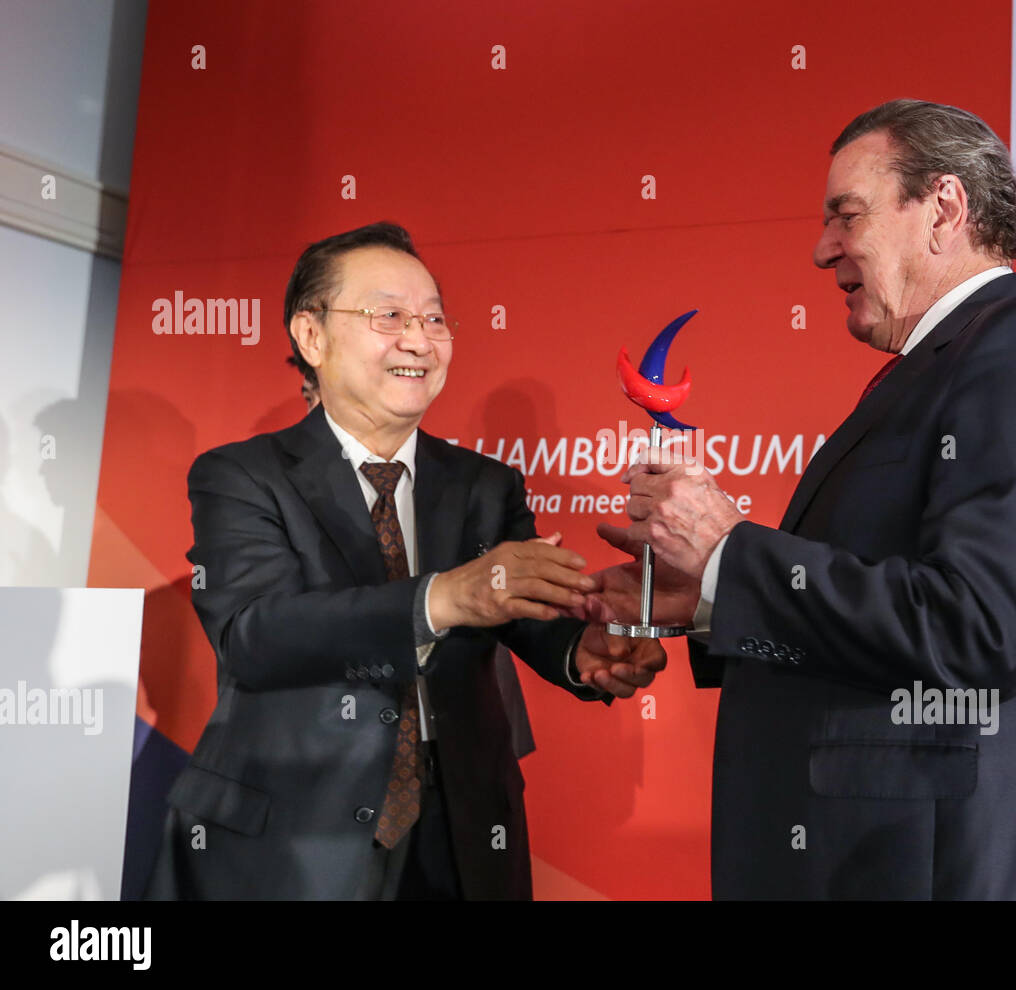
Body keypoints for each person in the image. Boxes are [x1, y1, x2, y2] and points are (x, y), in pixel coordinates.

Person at [589, 99, 1016, 899]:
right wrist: (709, 596)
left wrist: (733, 550)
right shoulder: (938, 367)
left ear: (944, 208)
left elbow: (977, 629)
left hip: (944, 869)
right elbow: (890, 609)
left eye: (847, 216)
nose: (821, 251)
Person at [146, 221, 664, 900]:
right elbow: (254, 636)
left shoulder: (485, 484)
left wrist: (582, 649)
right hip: (295, 835)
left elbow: (516, 618)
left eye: (434, 319)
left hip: (463, 833)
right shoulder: (242, 475)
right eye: (389, 316)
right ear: (311, 336)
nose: (419, 340)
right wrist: (442, 598)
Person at [289, 355, 537, 760]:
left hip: (463, 760)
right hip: (330, 764)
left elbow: (527, 614)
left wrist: (585, 638)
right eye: (310, 396)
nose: (318, 412)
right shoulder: (266, 489)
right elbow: (266, 635)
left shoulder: (479, 483)